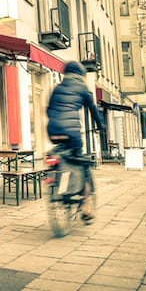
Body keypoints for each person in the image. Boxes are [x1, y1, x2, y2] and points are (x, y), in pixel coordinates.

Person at [46, 61, 105, 221]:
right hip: (72, 133)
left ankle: (57, 185)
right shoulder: (82, 88)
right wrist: (100, 126)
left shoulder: (58, 87)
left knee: (61, 156)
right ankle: (86, 206)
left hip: (52, 131)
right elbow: (93, 109)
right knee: (83, 164)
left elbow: (48, 109)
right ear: (80, 75)